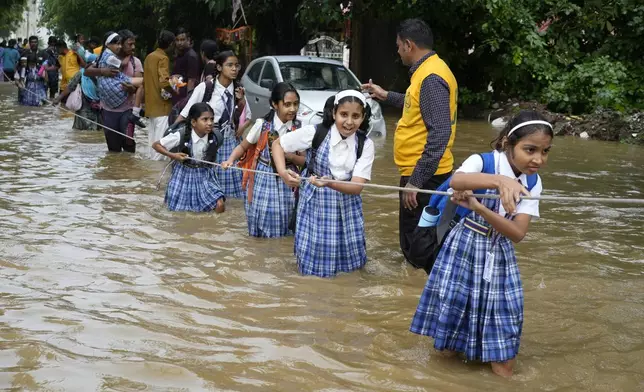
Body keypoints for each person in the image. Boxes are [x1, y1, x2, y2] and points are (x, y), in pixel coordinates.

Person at [410, 110, 553, 377]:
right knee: (450, 335)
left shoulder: (533, 182)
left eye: (545, 152)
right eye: (530, 149)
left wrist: (478, 206)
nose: (538, 159)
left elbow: (517, 233)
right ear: (507, 145)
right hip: (463, 247)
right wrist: (501, 181)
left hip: (499, 253)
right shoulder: (483, 162)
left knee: (505, 333)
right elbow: (457, 180)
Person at [361, 18, 458, 270]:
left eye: (398, 46)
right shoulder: (429, 72)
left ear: (408, 44)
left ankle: (416, 297)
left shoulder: (431, 78)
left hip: (425, 176)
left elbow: (439, 134)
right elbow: (417, 104)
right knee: (418, 244)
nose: (397, 51)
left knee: (418, 249)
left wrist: (416, 181)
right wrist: (385, 95)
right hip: (423, 173)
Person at [271, 90, 375, 278]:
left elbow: (357, 187)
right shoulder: (316, 132)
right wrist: (282, 172)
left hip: (348, 204)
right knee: (314, 261)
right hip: (315, 203)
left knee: (350, 263)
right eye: (344, 115)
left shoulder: (365, 144)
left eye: (356, 116)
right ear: (334, 113)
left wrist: (329, 184)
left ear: (363, 117)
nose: (349, 122)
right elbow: (278, 145)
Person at [222, 82, 304, 238]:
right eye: (287, 104)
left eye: (295, 104)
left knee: (288, 217)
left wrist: (291, 157)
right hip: (264, 177)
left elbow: (305, 159)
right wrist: (230, 160)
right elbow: (243, 147)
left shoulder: (299, 128)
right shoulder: (262, 125)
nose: (292, 109)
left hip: (289, 179)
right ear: (274, 104)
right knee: (265, 217)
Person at [174, 50, 251, 199]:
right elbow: (186, 112)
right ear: (220, 68)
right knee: (204, 182)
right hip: (207, 141)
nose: (234, 69)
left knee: (230, 185)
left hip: (229, 142)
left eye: (237, 65)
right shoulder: (206, 88)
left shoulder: (238, 89)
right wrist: (173, 131)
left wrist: (241, 126)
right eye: (230, 65)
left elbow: (249, 116)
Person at [152, 102, 226, 213]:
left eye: (211, 119)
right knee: (180, 211)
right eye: (205, 119)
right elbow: (156, 145)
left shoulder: (216, 137)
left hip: (205, 175)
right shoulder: (181, 135)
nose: (210, 123)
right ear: (193, 122)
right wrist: (173, 155)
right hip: (183, 175)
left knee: (219, 204)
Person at [94, 31, 145, 153]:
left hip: (128, 110)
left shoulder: (135, 62)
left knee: (128, 145)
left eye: (134, 44)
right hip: (108, 110)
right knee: (113, 150)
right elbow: (88, 71)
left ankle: (128, 170)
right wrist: (102, 71)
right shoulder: (107, 59)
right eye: (129, 44)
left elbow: (140, 87)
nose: (132, 47)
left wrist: (131, 89)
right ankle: (116, 171)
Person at [144, 30, 176, 160]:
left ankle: (151, 170)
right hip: (162, 106)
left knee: (152, 141)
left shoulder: (149, 57)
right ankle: (157, 174)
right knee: (161, 144)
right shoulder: (163, 58)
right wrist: (175, 91)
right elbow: (164, 82)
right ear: (171, 44)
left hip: (150, 105)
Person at [53, 54, 101, 130]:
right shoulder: (81, 74)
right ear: (88, 64)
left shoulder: (101, 74)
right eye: (93, 65)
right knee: (84, 130)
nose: (95, 67)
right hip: (84, 106)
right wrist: (58, 98)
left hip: (98, 107)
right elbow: (70, 87)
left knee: (97, 130)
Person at [171, 28, 200, 105]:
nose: (180, 43)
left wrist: (189, 101)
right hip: (177, 94)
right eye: (177, 40)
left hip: (184, 97)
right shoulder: (179, 55)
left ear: (188, 40)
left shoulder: (191, 56)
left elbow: (191, 80)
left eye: (182, 40)